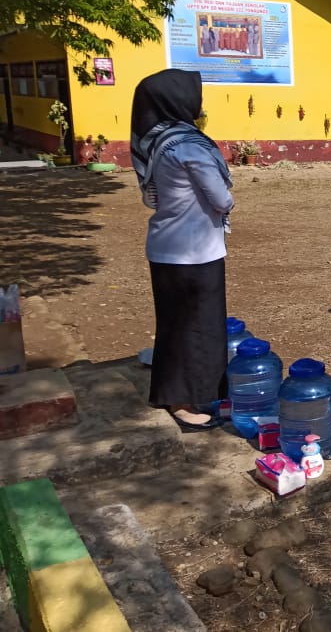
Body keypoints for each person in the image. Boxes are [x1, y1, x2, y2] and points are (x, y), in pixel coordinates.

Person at [130, 69, 233, 431]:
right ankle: (184, 404)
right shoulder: (189, 146)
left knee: (175, 325)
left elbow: (152, 198)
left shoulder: (157, 141)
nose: (199, 101)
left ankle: (177, 393)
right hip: (195, 252)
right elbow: (221, 199)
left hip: (166, 248)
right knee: (198, 328)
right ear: (178, 101)